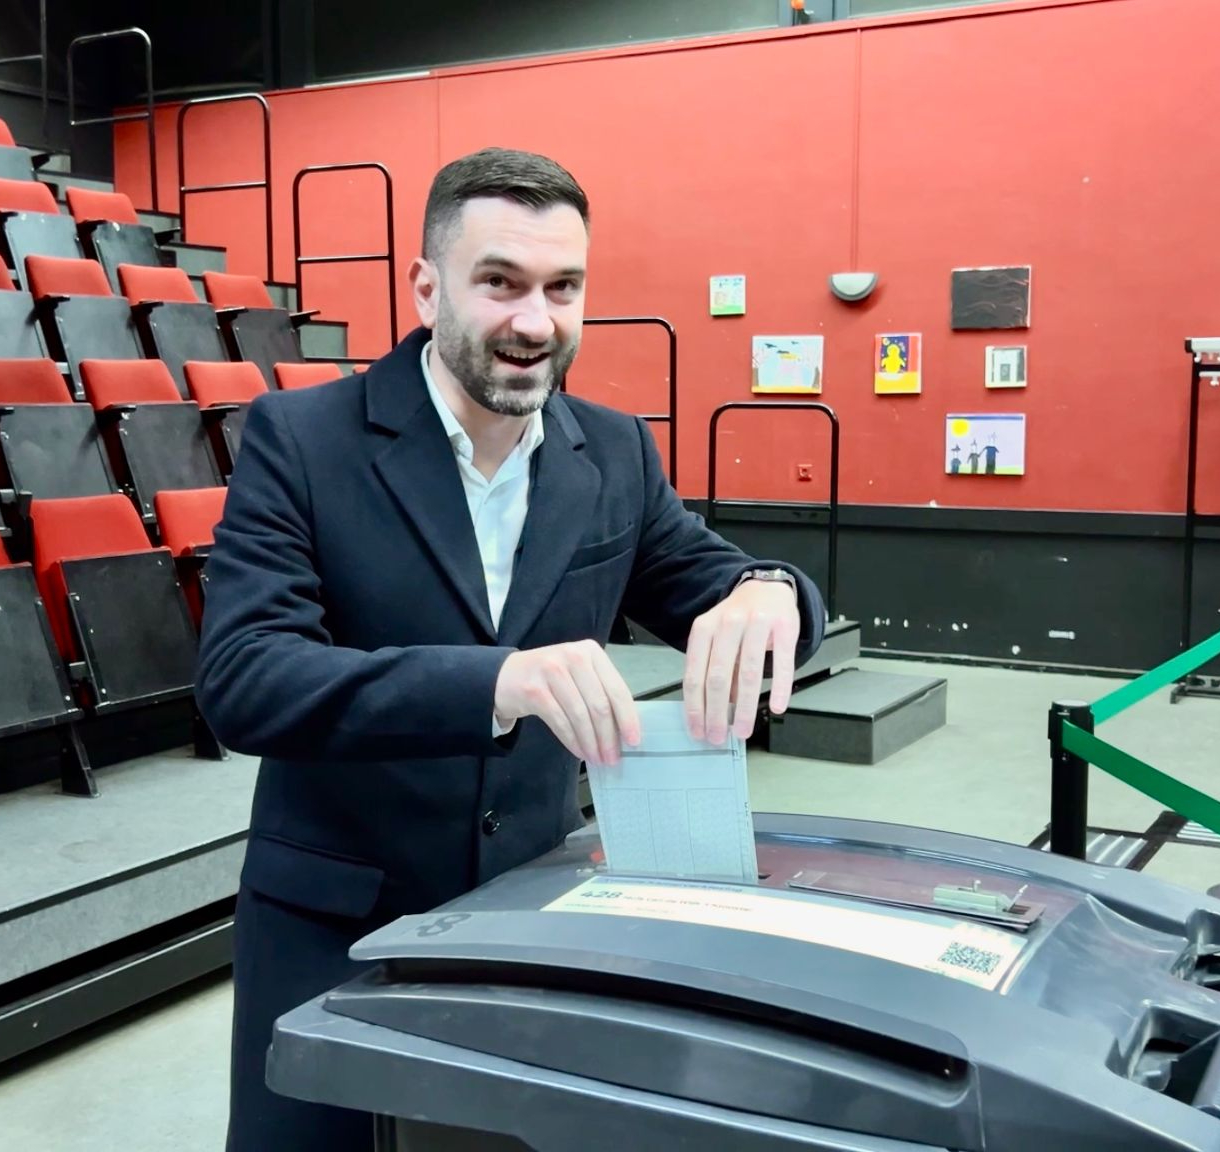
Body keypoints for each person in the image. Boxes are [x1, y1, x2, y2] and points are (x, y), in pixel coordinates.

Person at [195, 146, 827, 1151]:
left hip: (535, 924)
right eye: (499, 283)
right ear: (425, 285)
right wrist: (495, 682)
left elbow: (708, 576)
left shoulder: (613, 450)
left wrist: (767, 592)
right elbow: (244, 679)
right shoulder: (300, 438)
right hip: (335, 932)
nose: (534, 323)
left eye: (562, 287)